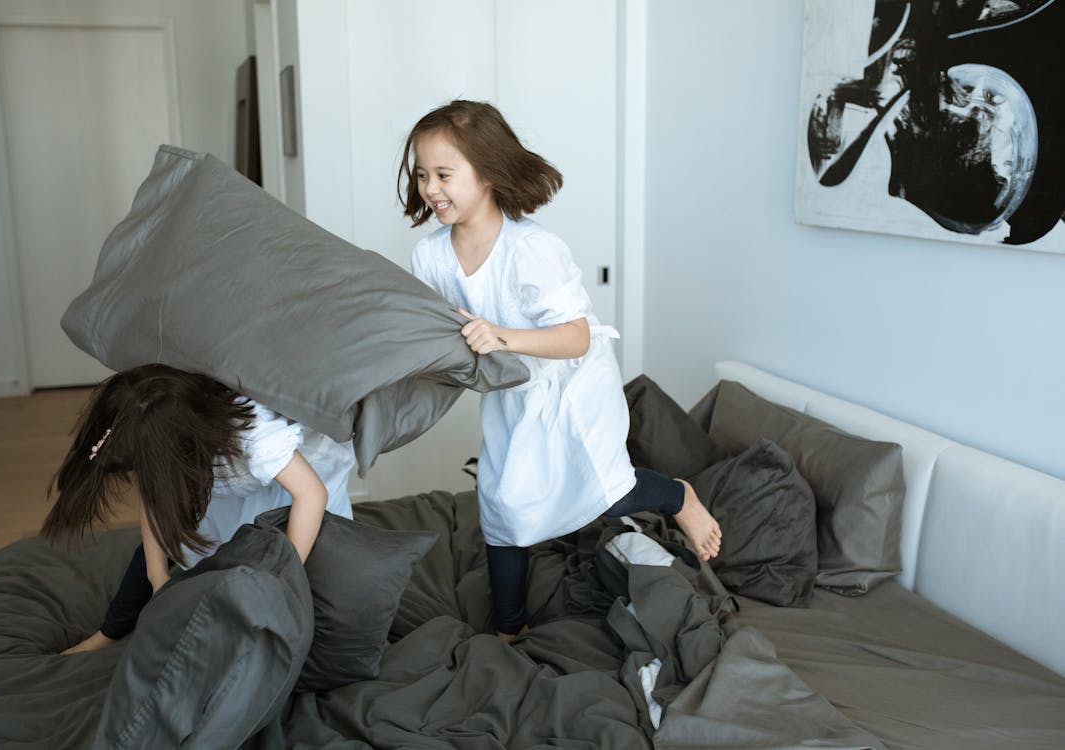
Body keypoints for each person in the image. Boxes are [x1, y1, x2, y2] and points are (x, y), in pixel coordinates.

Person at [397, 99, 722, 642]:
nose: (431, 188)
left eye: (445, 175)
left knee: (603, 488)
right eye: (423, 174)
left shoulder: (532, 249)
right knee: (503, 504)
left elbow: (574, 337)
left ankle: (677, 496)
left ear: (487, 174)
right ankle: (509, 629)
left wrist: (501, 335)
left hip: (572, 383)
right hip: (513, 387)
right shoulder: (429, 257)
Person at [41, 363, 355, 653]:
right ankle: (109, 632)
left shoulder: (258, 435)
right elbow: (156, 500)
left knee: (281, 576)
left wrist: (282, 578)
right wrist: (157, 577)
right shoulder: (161, 410)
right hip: (230, 480)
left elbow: (312, 496)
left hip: (300, 487)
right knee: (168, 548)